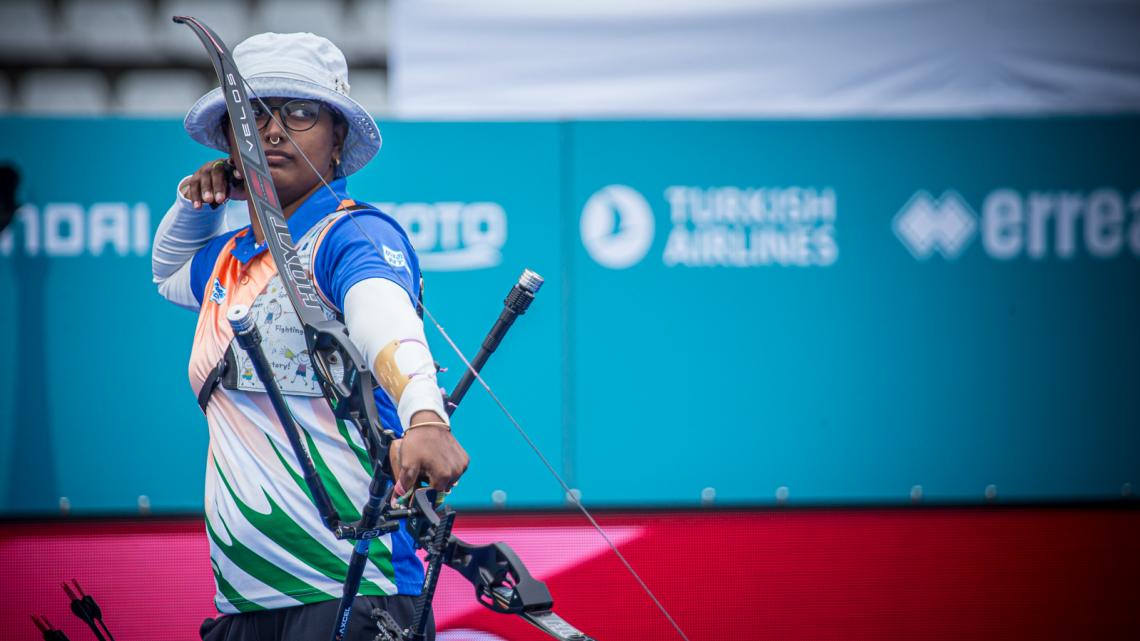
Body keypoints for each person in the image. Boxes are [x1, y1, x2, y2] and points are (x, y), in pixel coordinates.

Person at [151, 32, 468, 640]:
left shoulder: (347, 237)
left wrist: (425, 416)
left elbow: (383, 315)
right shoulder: (232, 257)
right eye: (250, 117)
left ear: (338, 139)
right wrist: (198, 199)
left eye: (299, 113)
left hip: (354, 592)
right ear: (228, 143)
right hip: (244, 602)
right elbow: (167, 272)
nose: (273, 131)